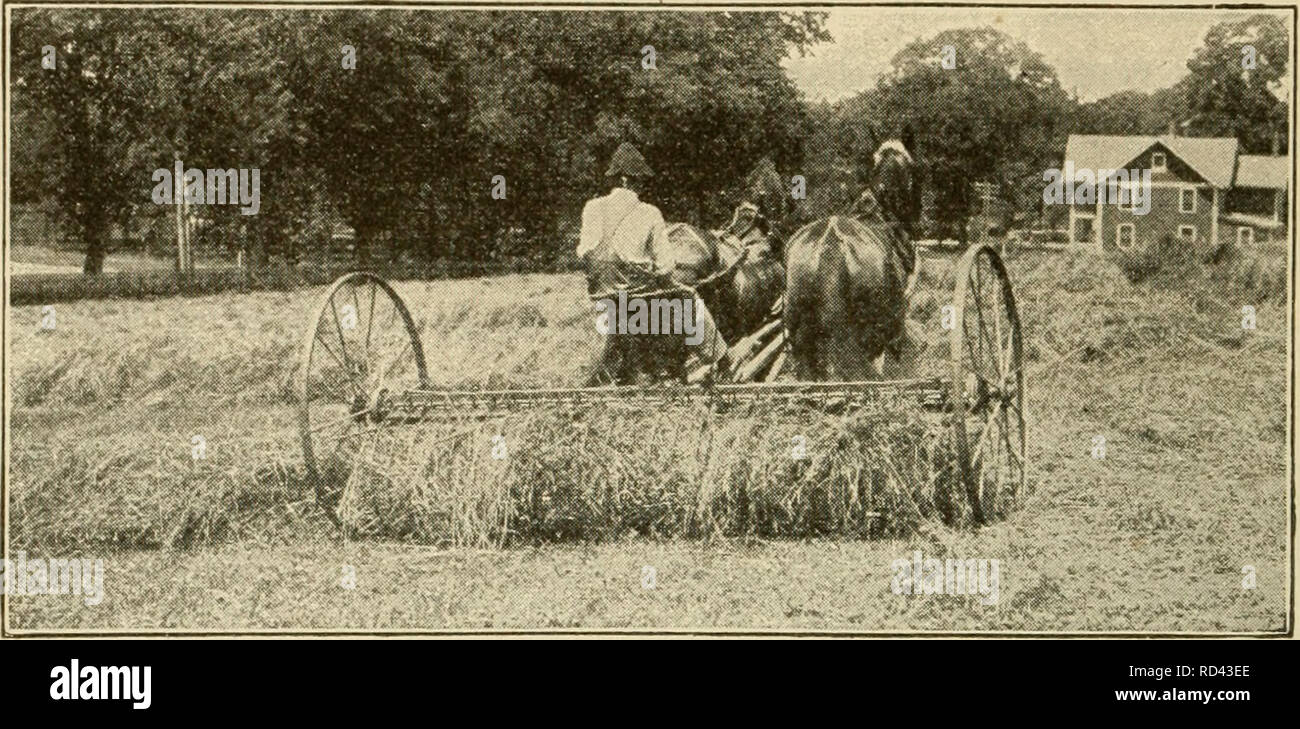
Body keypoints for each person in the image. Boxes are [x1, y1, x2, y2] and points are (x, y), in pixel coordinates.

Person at [577, 143, 730, 378]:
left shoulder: (591, 208)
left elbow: (583, 251)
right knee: (690, 299)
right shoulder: (649, 213)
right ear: (627, 180)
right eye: (639, 181)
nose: (642, 187)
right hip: (638, 295)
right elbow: (666, 266)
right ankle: (720, 358)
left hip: (601, 293)